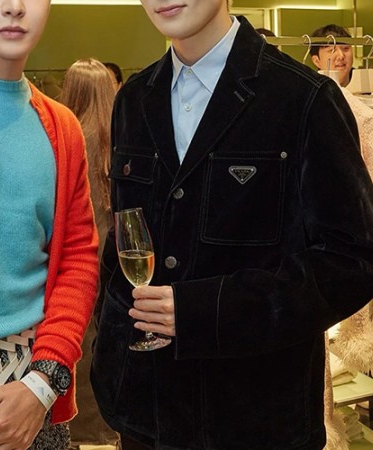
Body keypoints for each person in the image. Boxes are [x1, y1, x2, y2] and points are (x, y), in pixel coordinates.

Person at [91, 1, 373, 449]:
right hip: (145, 414)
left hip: (255, 418)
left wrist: (207, 310)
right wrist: (108, 352)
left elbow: (350, 261)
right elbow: (123, 242)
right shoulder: (134, 99)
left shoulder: (302, 99)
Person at [0, 2, 99, 450]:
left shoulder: (62, 127)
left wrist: (43, 382)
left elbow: (78, 257)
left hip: (36, 390)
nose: (14, 7)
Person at [59, 58, 118, 446]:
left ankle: (79, 431)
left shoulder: (64, 140)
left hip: (73, 266)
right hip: (118, 267)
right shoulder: (123, 140)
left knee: (76, 348)